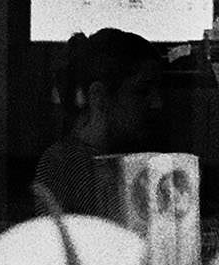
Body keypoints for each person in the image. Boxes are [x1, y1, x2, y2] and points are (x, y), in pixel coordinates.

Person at [32, 28, 164, 217]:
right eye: (142, 91)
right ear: (99, 96)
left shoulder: (118, 157)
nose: (157, 103)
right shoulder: (68, 164)